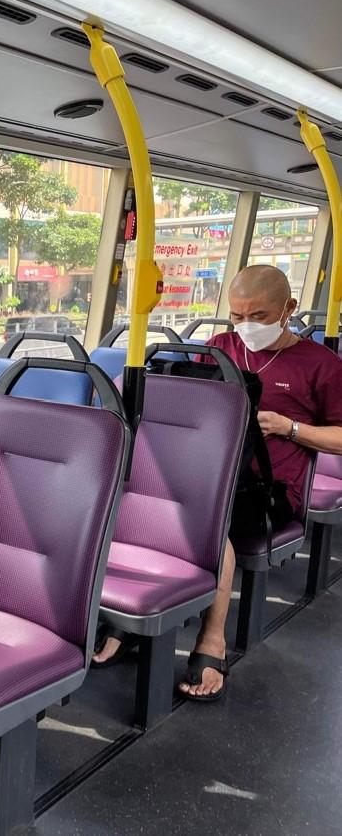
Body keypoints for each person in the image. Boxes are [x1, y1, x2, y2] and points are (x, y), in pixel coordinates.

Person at [93, 265, 342, 701]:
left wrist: (289, 428)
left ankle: (212, 638)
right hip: (200, 475)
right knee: (125, 501)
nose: (246, 326)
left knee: (207, 520)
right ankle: (126, 618)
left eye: (259, 316)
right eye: (238, 316)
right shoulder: (219, 349)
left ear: (289, 309)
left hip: (268, 490)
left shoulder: (321, 365)